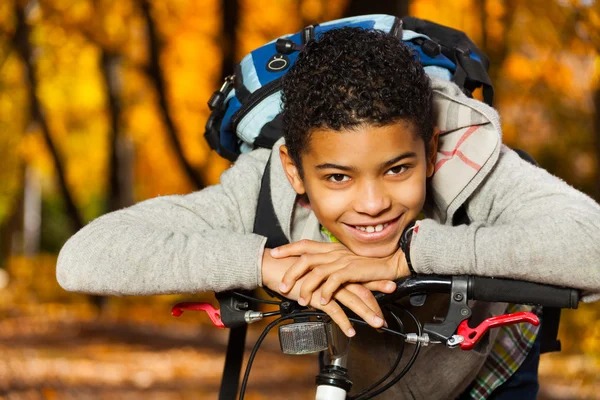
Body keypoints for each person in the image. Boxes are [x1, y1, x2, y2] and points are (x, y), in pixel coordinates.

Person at [56, 27, 600, 399]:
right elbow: (82, 258)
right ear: (295, 169)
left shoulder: (473, 158)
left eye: (396, 169)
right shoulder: (264, 184)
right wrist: (271, 264)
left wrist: (405, 258)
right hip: (364, 374)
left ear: (431, 150)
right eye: (337, 178)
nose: (371, 204)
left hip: (490, 362)